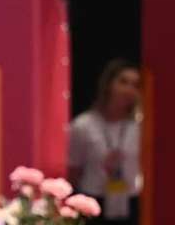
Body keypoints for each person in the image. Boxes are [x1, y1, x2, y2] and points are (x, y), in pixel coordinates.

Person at [68, 59, 142, 225]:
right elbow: (74, 172)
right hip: (93, 202)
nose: (129, 89)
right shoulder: (83, 125)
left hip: (131, 201)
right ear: (108, 85)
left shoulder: (140, 127)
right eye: (123, 82)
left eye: (135, 85)